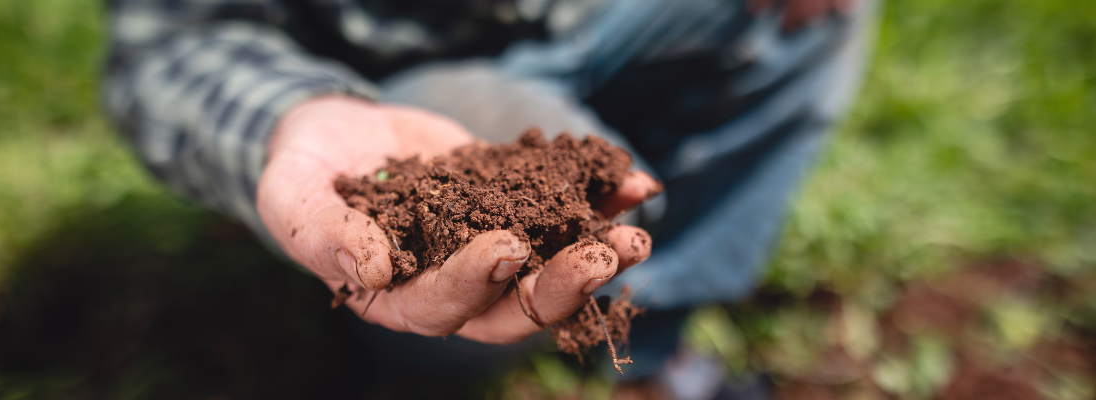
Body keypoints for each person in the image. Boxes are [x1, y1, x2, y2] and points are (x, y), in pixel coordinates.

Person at [104, 0, 873, 397]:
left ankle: (646, 346)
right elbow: (168, 48)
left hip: (589, 20)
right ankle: (414, 363)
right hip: (398, 84)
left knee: (811, 18)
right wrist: (297, 114)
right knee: (480, 293)